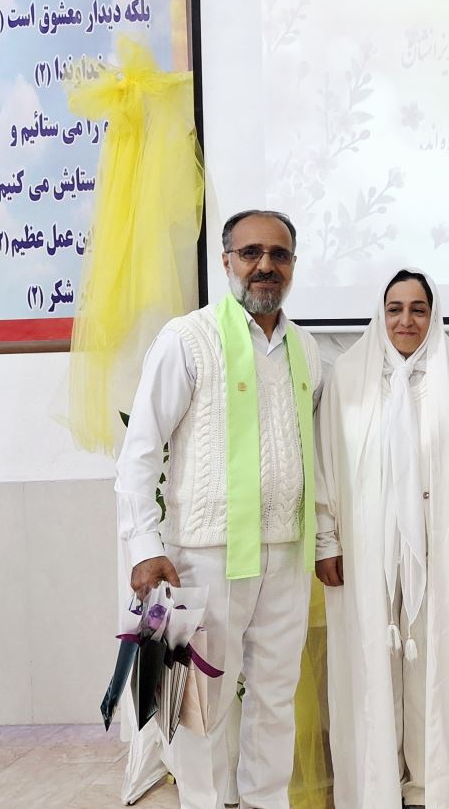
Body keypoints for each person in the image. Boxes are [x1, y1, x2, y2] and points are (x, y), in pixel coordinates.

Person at [116, 209, 322, 809]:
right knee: (201, 702)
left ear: (293, 265)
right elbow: (140, 450)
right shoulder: (188, 339)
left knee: (276, 696)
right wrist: (145, 546)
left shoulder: (305, 347)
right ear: (226, 260)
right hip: (205, 555)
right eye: (251, 253)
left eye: (279, 255)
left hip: (286, 551)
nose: (265, 266)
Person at [314, 269, 449, 809]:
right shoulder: (348, 377)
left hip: (438, 545)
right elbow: (326, 465)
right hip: (364, 548)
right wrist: (326, 541)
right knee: (367, 661)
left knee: (438, 662)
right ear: (380, 313)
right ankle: (375, 786)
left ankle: (431, 788)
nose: (406, 320)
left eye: (418, 309)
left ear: (433, 314)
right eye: (395, 308)